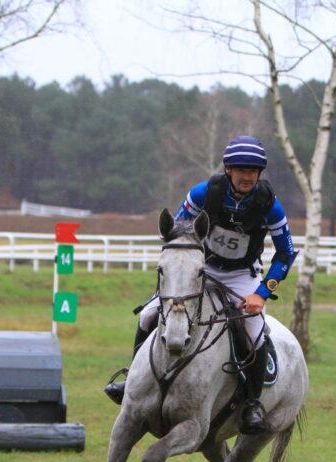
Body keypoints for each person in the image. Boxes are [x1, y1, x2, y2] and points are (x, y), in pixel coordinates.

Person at [104, 135, 297, 434]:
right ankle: (132, 379)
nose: (246, 176)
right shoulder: (203, 193)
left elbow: (285, 253)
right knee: (147, 315)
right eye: (240, 169)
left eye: (253, 170)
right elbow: (178, 233)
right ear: (228, 170)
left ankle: (251, 405)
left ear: (259, 174)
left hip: (241, 275)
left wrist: (261, 293)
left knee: (256, 332)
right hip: (200, 268)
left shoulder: (271, 207)